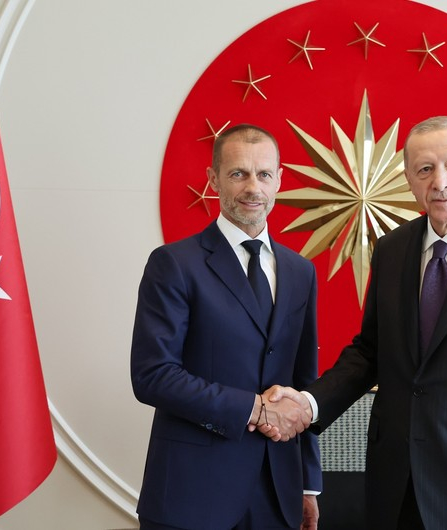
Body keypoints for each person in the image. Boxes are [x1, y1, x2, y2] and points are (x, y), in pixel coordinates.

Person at [265, 116, 447, 529]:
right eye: (425, 169)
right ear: (409, 179)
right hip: (396, 487)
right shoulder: (391, 250)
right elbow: (369, 352)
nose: (440, 181)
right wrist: (308, 404)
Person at [130, 123, 321, 530]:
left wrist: (308, 485)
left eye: (263, 174)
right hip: (192, 495)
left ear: (279, 180)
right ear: (213, 179)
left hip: (278, 495)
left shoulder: (300, 271)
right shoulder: (173, 264)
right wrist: (254, 408)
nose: (253, 187)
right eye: (238, 173)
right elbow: (152, 375)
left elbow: (303, 381)